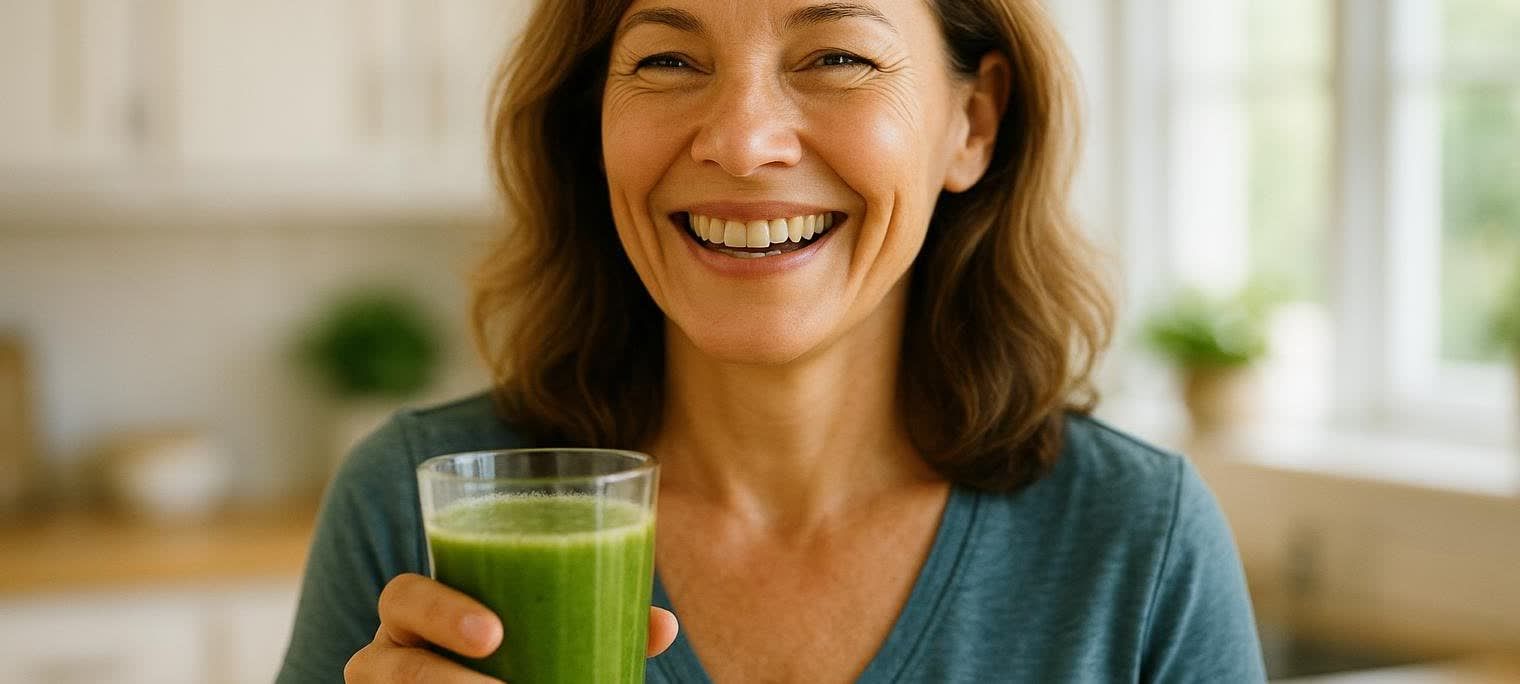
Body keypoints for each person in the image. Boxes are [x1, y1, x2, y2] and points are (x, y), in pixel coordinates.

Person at [280, 0, 1267, 681]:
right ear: (593, 122)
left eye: (835, 57)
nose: (743, 139)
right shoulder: (412, 506)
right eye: (667, 60)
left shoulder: (1136, 541)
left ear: (969, 122)